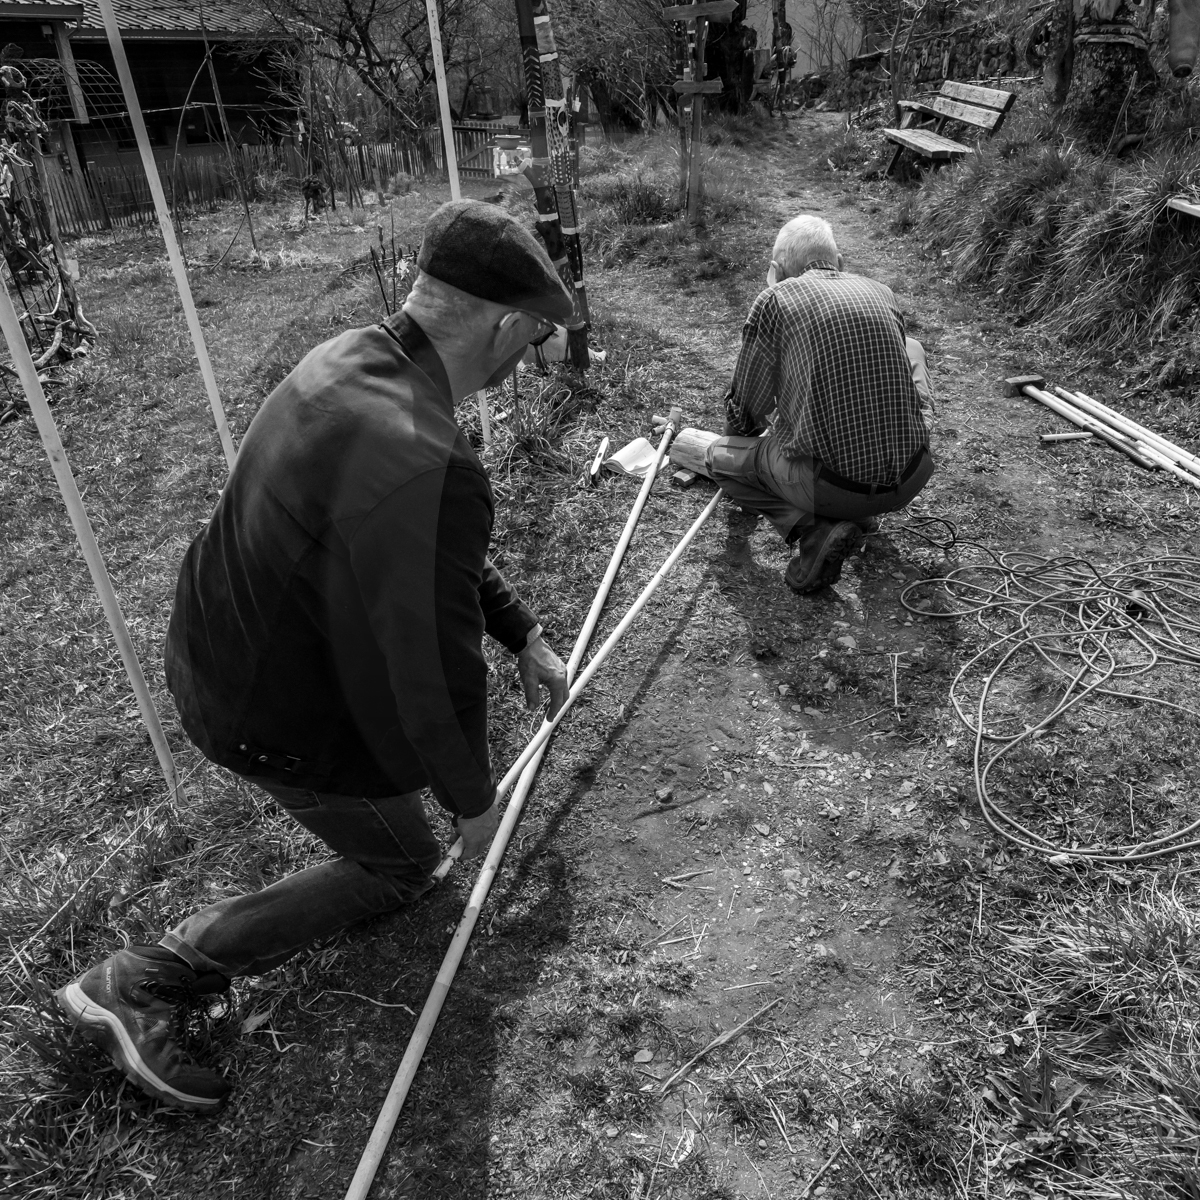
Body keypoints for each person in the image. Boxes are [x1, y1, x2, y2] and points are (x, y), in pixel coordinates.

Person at [55, 200, 574, 1113]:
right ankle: (145, 978)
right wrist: (475, 804)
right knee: (407, 863)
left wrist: (523, 629)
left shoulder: (345, 360)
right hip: (267, 709)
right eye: (534, 339)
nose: (530, 356)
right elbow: (430, 670)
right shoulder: (428, 455)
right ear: (504, 325)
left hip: (214, 651)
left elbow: (415, 556)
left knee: (406, 818)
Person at [667, 214, 934, 594]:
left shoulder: (775, 300)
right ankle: (861, 513)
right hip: (910, 478)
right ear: (840, 262)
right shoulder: (882, 292)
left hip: (835, 487)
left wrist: (738, 454)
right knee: (911, 350)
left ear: (776, 270)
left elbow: (746, 412)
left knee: (718, 458)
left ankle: (814, 530)